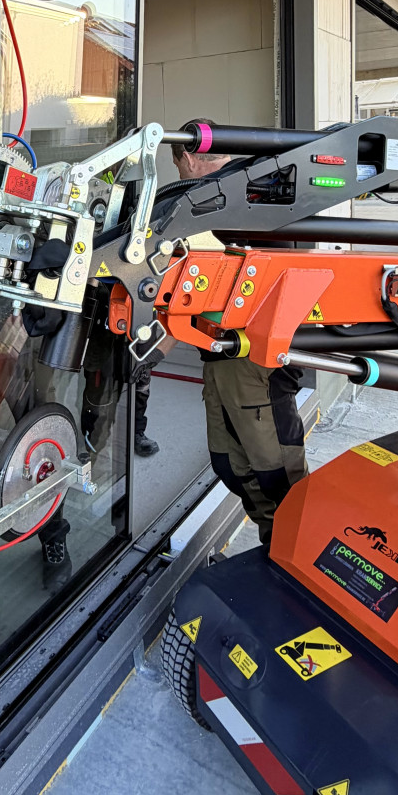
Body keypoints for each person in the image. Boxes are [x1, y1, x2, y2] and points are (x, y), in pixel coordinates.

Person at [172, 128, 306, 551]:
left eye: (179, 168)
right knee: (231, 464)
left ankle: (292, 556)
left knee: (275, 473)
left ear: (188, 159)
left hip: (255, 363)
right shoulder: (223, 196)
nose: (181, 176)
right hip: (220, 357)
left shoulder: (239, 195)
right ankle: (274, 547)